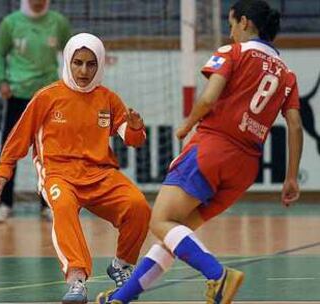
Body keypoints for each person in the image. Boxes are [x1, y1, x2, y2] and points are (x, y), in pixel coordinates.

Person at [96, 0, 303, 303]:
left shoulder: (232, 52)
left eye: (232, 24)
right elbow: (295, 126)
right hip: (245, 168)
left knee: (160, 222)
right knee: (175, 235)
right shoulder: (287, 74)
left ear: (244, 22)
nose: (230, 32)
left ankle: (218, 274)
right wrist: (291, 177)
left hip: (212, 150)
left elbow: (208, 98)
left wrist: (186, 125)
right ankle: (121, 298)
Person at [0, 33, 151, 304]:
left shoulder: (108, 99)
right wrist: (4, 169)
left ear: (99, 64)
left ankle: (122, 265)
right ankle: (76, 280)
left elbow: (132, 139)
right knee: (63, 207)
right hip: (58, 174)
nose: (84, 70)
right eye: (78, 63)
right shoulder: (47, 97)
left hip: (100, 174)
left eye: (91, 64)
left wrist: (135, 127)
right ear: (68, 61)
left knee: (138, 206)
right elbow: (20, 135)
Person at [0, 0, 71, 223]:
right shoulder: (11, 23)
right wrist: (1, 81)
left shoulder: (58, 22)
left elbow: (71, 53)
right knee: (9, 149)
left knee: (51, 150)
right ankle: (4, 204)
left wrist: (68, 84)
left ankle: (48, 203)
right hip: (18, 95)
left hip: (48, 96)